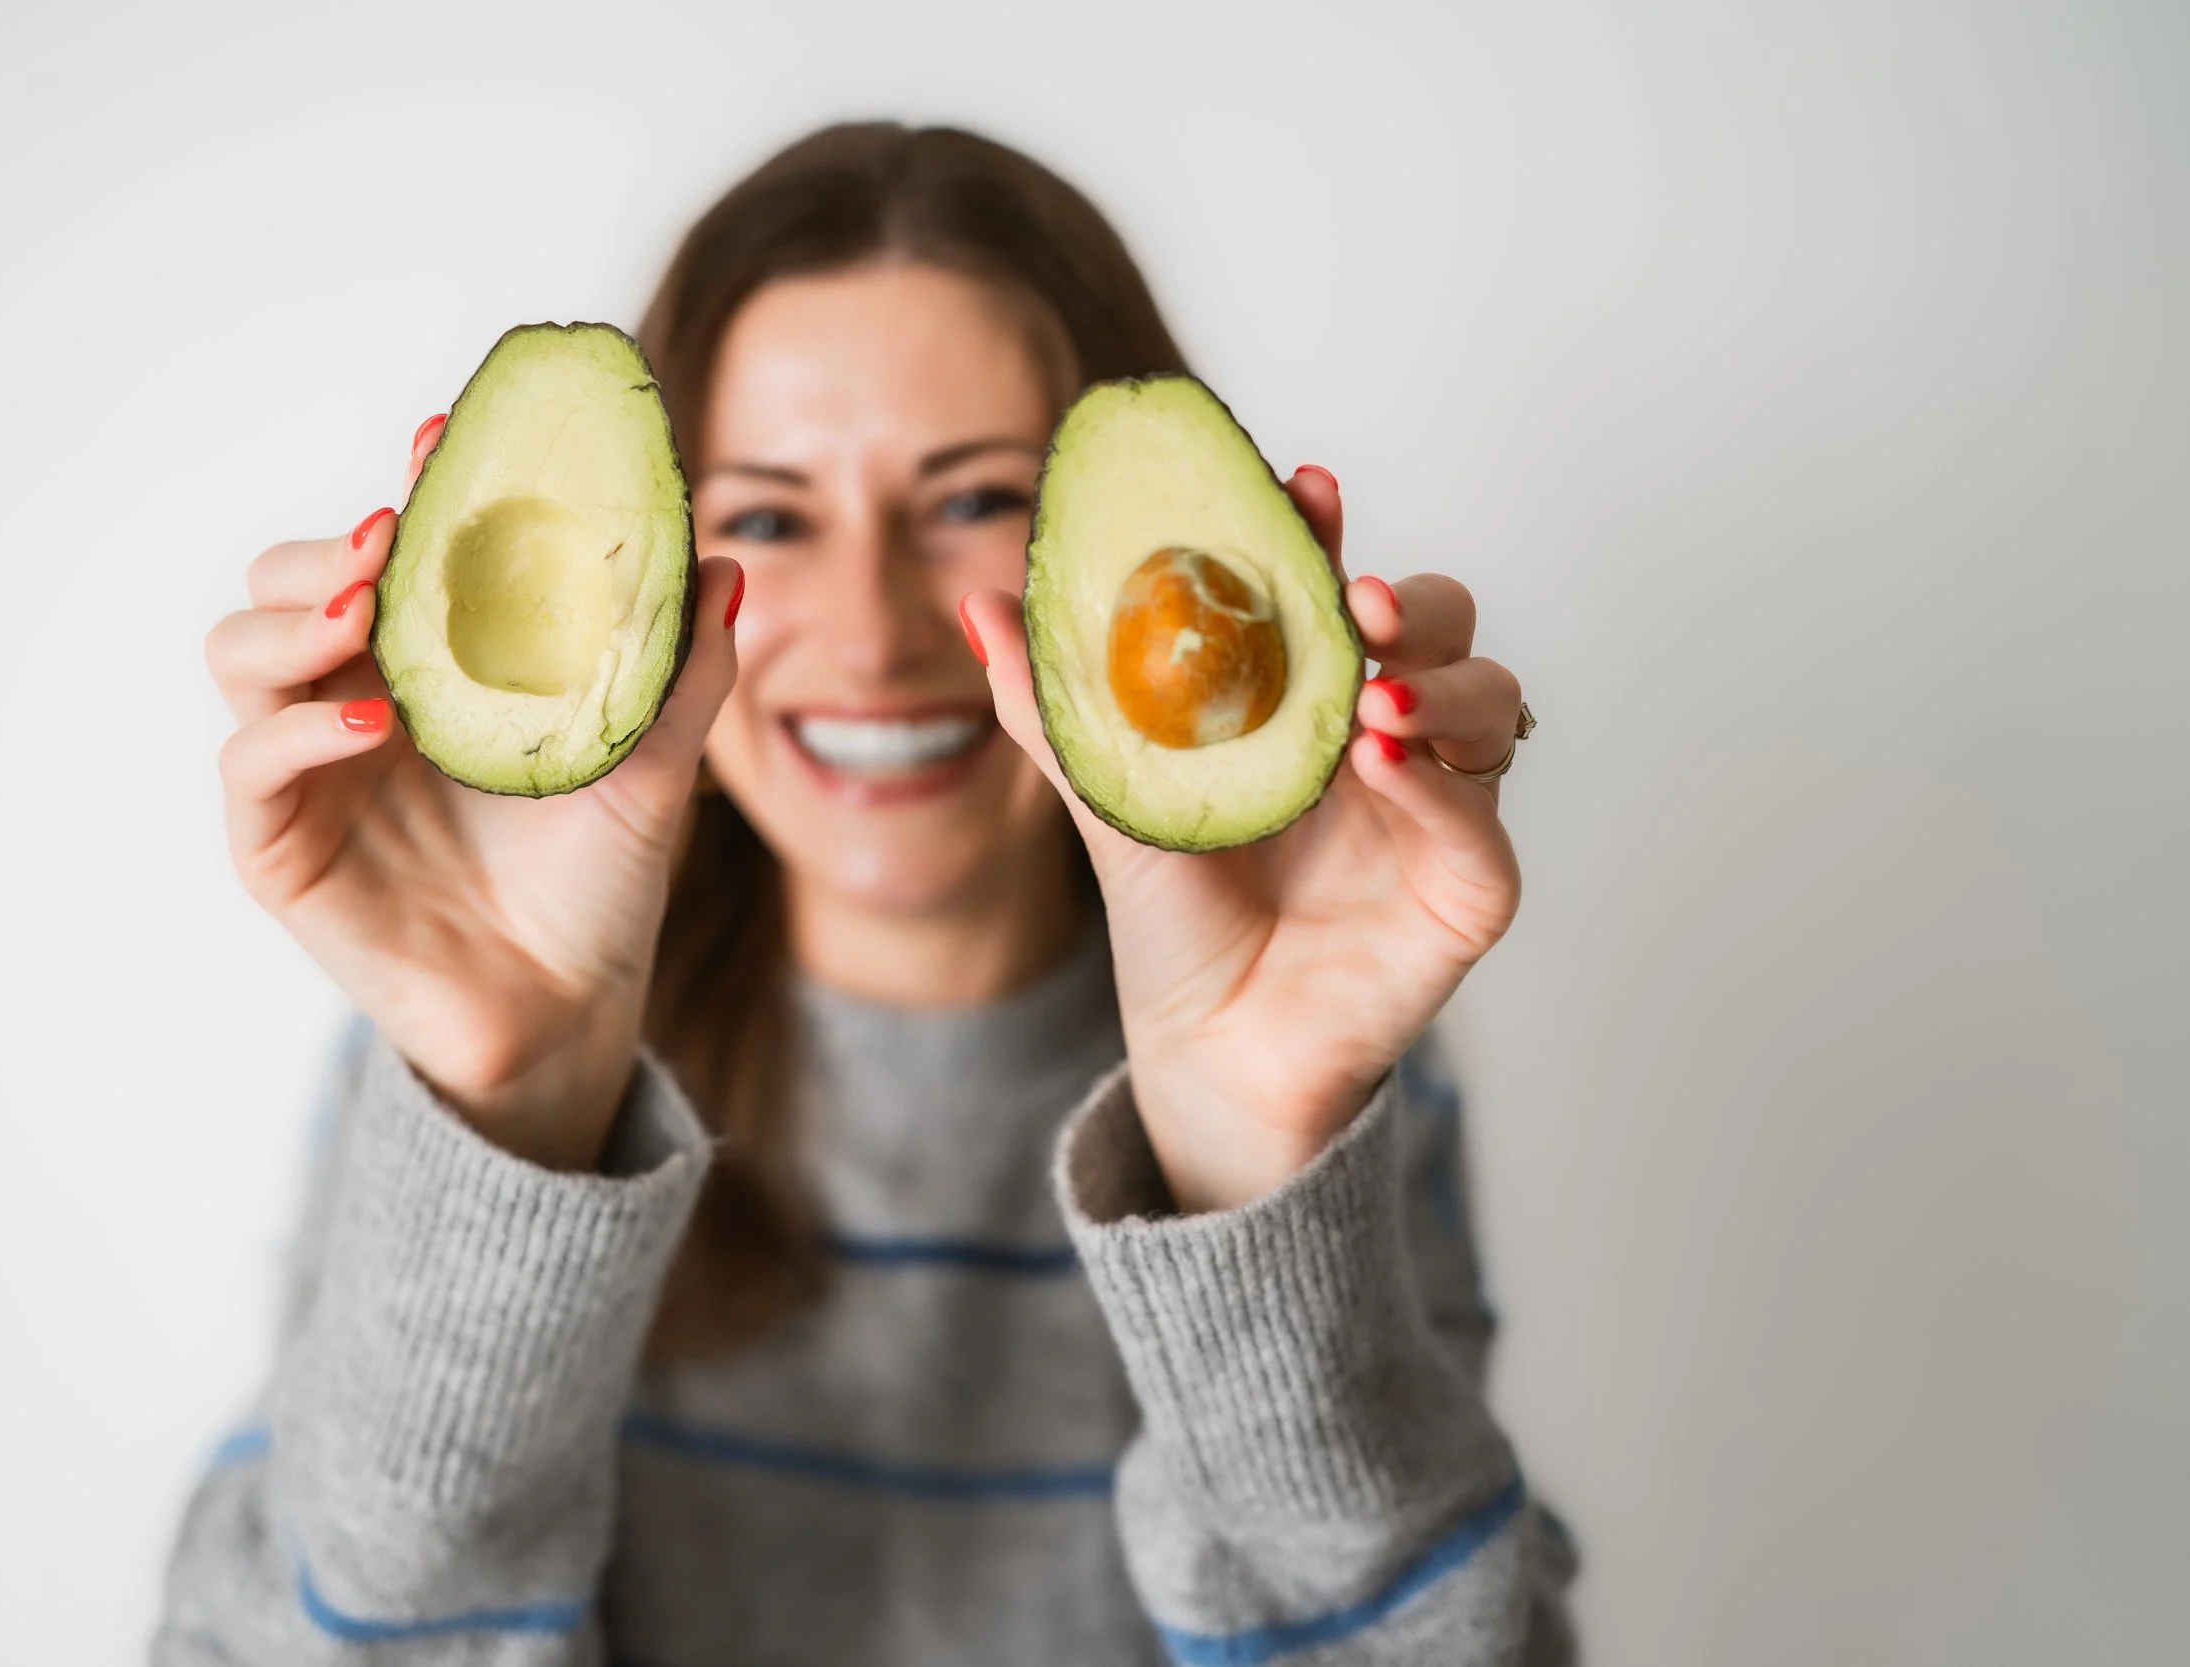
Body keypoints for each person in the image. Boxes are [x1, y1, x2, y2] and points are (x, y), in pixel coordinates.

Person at [159, 121, 1573, 1665]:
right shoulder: (451, 1082)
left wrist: (1244, 1161)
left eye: (975, 500)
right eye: (766, 516)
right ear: (649, 577)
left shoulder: (1342, 1099)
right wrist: (517, 1106)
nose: (873, 630)